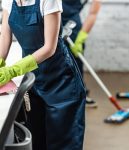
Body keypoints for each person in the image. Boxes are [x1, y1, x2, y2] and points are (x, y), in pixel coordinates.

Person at [0, 0, 86, 150]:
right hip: (34, 82)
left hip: (61, 82)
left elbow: (49, 48)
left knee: (62, 143)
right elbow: (4, 38)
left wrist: (13, 70)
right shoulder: (8, 1)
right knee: (37, 140)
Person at [62, 0, 101, 108]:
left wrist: (81, 37)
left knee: (76, 61)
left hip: (71, 23)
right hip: (47, 18)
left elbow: (93, 12)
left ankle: (80, 95)